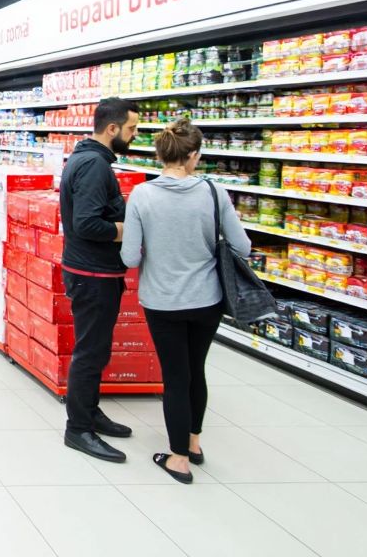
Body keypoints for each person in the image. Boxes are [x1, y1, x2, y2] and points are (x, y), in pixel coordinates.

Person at [121, 119, 250, 484]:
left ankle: (177, 458)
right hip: (207, 301)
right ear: (193, 155)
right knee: (197, 370)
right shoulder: (213, 192)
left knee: (175, 377)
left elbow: (130, 257)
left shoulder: (142, 196)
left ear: (161, 154)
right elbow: (243, 246)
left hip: (162, 303)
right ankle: (193, 443)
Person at [59, 96, 140, 463]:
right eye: (132, 129)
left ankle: (90, 412)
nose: (134, 135)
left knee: (97, 349)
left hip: (94, 270)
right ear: (112, 129)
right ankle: (78, 429)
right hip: (92, 273)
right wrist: (129, 229)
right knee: (90, 353)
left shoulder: (88, 158)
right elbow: (87, 224)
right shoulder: (93, 165)